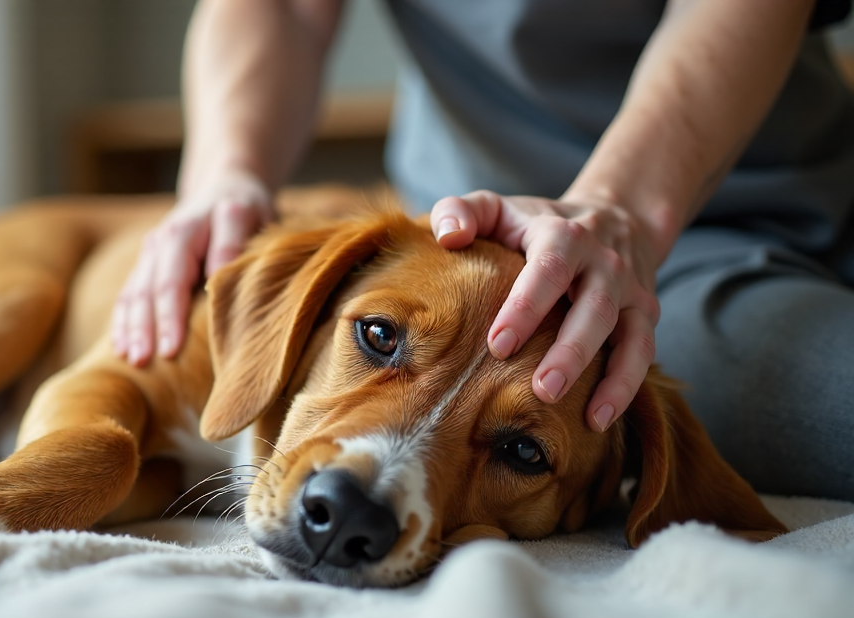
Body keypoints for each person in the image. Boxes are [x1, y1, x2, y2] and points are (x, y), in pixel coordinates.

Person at [110, 0, 854, 500]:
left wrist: (619, 210)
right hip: (455, 228)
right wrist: (225, 175)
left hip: (737, 213)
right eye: (378, 341)